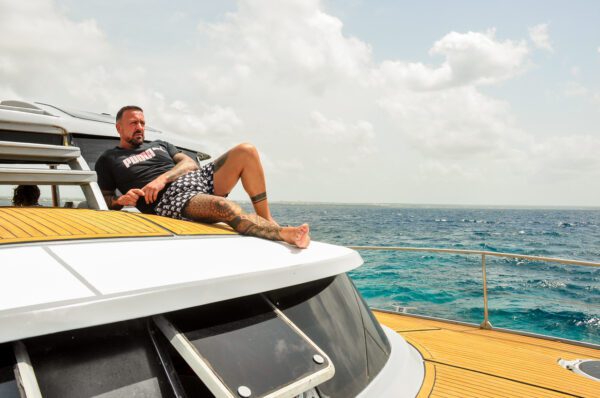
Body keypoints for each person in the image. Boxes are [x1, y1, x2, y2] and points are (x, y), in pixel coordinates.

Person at [95, 105, 310, 248]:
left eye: (142, 123)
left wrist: (162, 178)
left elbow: (189, 163)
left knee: (246, 150)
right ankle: (282, 234)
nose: (140, 127)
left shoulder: (160, 144)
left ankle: (266, 219)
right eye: (134, 123)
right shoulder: (109, 159)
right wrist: (120, 201)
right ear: (119, 127)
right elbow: (104, 202)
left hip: (194, 179)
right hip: (170, 199)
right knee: (223, 206)